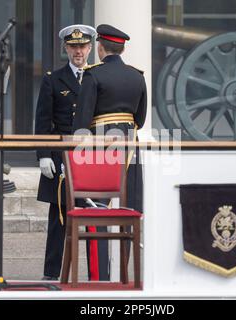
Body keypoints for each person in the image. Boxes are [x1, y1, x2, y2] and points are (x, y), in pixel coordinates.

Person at [72, 24, 147, 280]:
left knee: (97, 211)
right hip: (130, 144)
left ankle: (100, 276)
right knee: (128, 211)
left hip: (99, 145)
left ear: (100, 47)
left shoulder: (93, 75)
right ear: (122, 48)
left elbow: (81, 120)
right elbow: (141, 118)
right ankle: (123, 274)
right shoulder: (138, 76)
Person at [34, 24, 96, 281]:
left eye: (82, 46)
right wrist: (44, 154)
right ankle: (51, 274)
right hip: (61, 157)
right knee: (58, 220)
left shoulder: (97, 77)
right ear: (65, 48)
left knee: (94, 218)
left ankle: (96, 275)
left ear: (90, 48)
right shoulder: (52, 78)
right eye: (73, 46)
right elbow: (43, 120)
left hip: (92, 157)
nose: (78, 51)